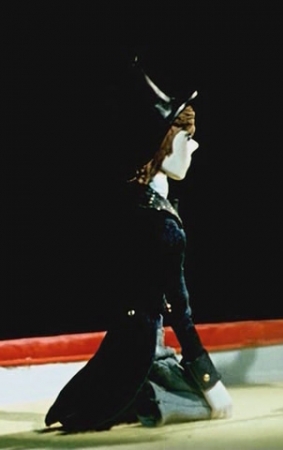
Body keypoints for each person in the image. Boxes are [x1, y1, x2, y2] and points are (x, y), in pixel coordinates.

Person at [44, 55, 233, 432]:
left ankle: (125, 394)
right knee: (203, 405)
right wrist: (209, 379)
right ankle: (142, 397)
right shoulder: (161, 221)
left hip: (124, 344)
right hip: (144, 352)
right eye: (187, 138)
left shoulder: (132, 201)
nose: (194, 147)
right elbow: (179, 309)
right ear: (165, 143)